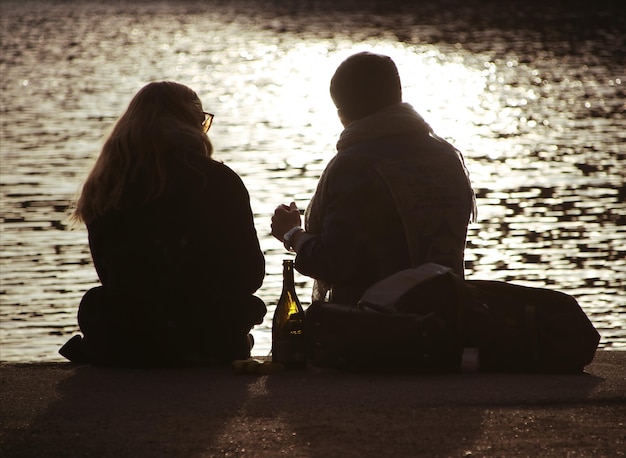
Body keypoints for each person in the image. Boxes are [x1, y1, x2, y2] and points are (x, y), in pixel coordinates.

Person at [60, 81, 266, 366]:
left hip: (129, 339)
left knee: (96, 301)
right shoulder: (218, 180)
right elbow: (250, 275)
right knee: (246, 306)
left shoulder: (106, 184)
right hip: (209, 336)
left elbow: (109, 274)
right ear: (192, 125)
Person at [271, 51, 476, 305]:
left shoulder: (354, 166)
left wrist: (292, 234)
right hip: (446, 320)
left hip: (376, 330)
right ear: (397, 96)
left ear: (342, 111)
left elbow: (335, 263)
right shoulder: (447, 157)